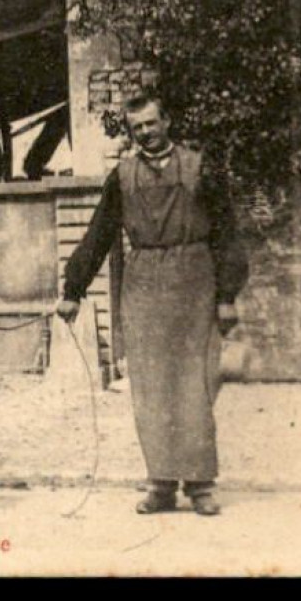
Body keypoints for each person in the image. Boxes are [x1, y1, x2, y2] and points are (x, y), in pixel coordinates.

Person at [58, 92, 248, 516]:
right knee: (151, 387)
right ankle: (160, 484)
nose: (145, 132)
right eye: (137, 126)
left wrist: (227, 296)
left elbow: (226, 234)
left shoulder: (201, 168)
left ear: (167, 121)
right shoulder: (121, 176)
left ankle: (200, 485)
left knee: (195, 384)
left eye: (151, 123)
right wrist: (73, 290)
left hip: (195, 279)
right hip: (143, 286)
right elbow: (98, 234)